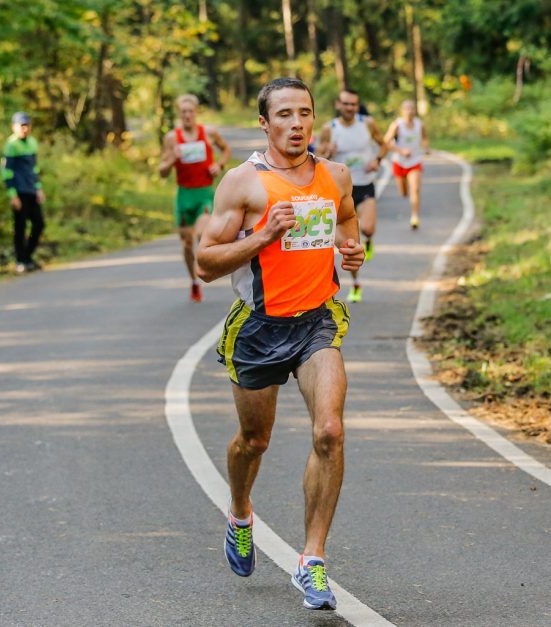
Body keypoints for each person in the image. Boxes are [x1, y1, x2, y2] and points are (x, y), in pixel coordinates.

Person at [195, 77, 364, 611]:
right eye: (284, 115)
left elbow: (348, 224)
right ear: (264, 124)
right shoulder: (242, 184)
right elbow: (205, 262)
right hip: (258, 328)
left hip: (317, 321)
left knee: (330, 432)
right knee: (255, 440)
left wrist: (353, 252)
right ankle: (241, 511)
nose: (296, 124)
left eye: (305, 113)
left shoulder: (335, 175)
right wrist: (263, 237)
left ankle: (312, 561)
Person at [158, 94, 231, 302]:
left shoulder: (208, 132)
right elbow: (162, 171)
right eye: (183, 112)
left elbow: (226, 149)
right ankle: (194, 282)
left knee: (201, 234)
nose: (187, 115)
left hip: (204, 193)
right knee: (186, 244)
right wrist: (173, 158)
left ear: (196, 112)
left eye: (190, 111)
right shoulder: (172, 138)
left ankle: (206, 266)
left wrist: (219, 165)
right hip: (184, 196)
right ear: (179, 115)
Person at [316, 89, 386, 303]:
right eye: (346, 104)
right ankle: (355, 285)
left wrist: (377, 160)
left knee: (367, 229)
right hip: (341, 190)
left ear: (358, 106)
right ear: (338, 104)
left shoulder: (367, 123)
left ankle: (369, 239)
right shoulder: (330, 128)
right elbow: (318, 157)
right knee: (349, 244)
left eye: (353, 104)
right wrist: (328, 151)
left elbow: (384, 144)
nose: (349, 108)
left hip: (364, 185)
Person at [0, 112, 45, 274]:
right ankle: (20, 260)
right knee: (20, 227)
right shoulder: (11, 145)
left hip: (31, 189)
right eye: (22, 125)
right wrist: (13, 195)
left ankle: (27, 257)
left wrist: (38, 187)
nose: (25, 129)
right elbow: (6, 172)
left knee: (39, 224)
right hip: (19, 191)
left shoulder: (32, 142)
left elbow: (34, 168)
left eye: (27, 125)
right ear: (14, 127)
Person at [384, 100, 429, 229]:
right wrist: (401, 151)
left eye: (412, 108)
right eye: (407, 109)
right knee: (404, 193)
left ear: (415, 111)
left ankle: (415, 217)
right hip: (399, 162)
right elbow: (386, 142)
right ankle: (405, 193)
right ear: (402, 111)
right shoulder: (397, 125)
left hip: (415, 161)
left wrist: (426, 148)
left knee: (415, 189)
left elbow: (425, 138)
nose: (410, 111)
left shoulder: (420, 125)